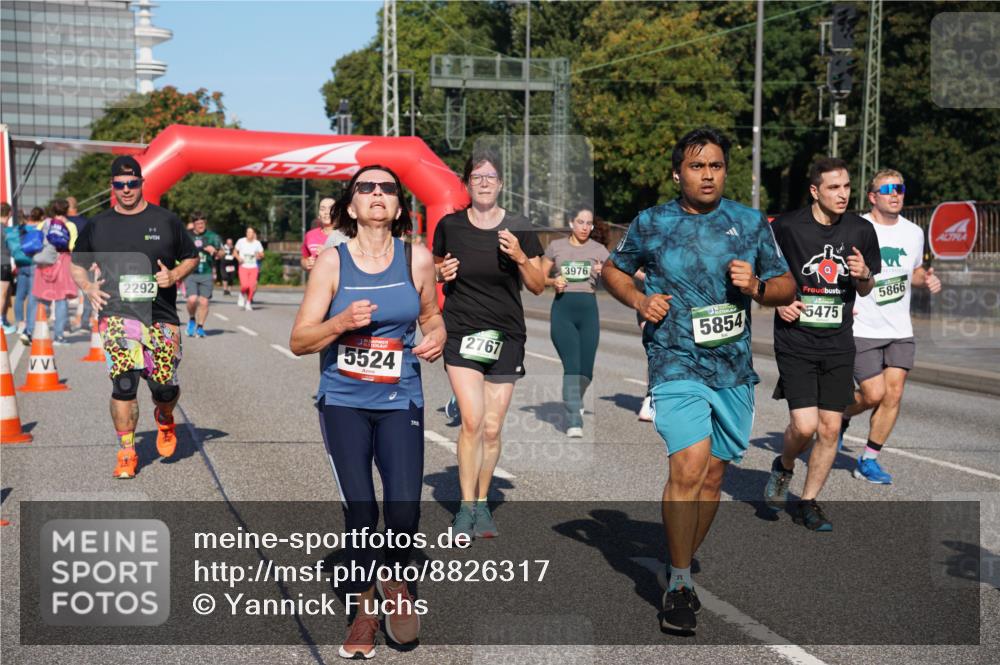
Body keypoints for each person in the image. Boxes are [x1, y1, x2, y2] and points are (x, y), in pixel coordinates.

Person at [603, 127, 794, 634]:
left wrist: (756, 286)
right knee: (687, 466)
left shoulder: (749, 222)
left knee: (712, 477)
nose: (707, 174)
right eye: (696, 165)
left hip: (731, 368)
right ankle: (681, 582)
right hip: (675, 361)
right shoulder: (652, 222)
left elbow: (786, 283)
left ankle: (678, 560)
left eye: (715, 165)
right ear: (677, 173)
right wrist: (641, 301)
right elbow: (613, 271)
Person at [289, 165, 445, 659]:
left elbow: (430, 315)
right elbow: (298, 340)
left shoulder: (416, 258)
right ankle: (364, 610)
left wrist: (436, 335)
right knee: (361, 511)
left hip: (401, 399)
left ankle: (394, 582)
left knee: (403, 507)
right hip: (344, 402)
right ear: (350, 206)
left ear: (399, 206)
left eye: (387, 189)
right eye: (366, 188)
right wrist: (338, 322)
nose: (377, 194)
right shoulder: (332, 264)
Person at [763, 157, 881, 532]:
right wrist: (777, 300)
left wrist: (864, 276)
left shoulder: (861, 230)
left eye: (846, 186)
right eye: (834, 187)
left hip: (838, 342)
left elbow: (866, 285)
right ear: (815, 191)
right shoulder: (786, 227)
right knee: (803, 425)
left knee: (830, 428)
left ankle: (809, 501)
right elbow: (760, 274)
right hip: (796, 339)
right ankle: (783, 465)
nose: (843, 194)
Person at [433, 148, 544, 539]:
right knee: (472, 421)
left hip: (506, 336)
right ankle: (466, 508)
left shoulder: (519, 227)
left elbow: (537, 285)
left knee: (493, 429)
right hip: (462, 331)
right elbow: (433, 270)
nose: (483, 182)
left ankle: (482, 505)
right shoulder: (450, 226)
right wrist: (439, 273)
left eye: (490, 177)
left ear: (500, 184)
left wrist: (519, 256)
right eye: (476, 176)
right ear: (467, 183)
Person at [71, 156, 199, 479]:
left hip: (161, 316)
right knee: (124, 383)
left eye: (132, 183)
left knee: (164, 388)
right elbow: (77, 264)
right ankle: (127, 451)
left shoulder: (166, 220)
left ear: (142, 183)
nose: (126, 190)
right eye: (119, 185)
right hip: (117, 314)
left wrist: (175, 274)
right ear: (112, 187)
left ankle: (165, 417)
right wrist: (87, 286)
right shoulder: (98, 225)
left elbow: (191, 256)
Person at [840, 169, 941, 484]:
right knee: (872, 394)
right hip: (862, 327)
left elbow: (913, 270)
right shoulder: (856, 227)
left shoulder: (913, 232)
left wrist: (925, 278)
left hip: (899, 328)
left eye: (900, 188)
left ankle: (869, 460)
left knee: (893, 393)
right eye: (887, 190)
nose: (895, 194)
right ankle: (841, 415)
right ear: (872, 197)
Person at [540, 204, 609, 438]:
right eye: (580, 222)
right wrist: (553, 281)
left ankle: (574, 397)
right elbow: (539, 277)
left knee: (586, 371)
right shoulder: (555, 247)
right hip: (563, 311)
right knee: (572, 366)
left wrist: (605, 272)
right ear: (571, 223)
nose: (585, 227)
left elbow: (618, 275)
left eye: (589, 223)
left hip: (589, 311)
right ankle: (573, 419)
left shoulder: (599, 249)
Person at [31, 200, 77, 345]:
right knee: (61, 300)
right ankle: (59, 336)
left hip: (44, 264)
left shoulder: (43, 223)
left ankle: (34, 333)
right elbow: (72, 246)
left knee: (41, 299)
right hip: (62, 262)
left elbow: (35, 242)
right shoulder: (70, 226)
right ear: (67, 210)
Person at [183, 212, 222, 338]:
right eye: (198, 223)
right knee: (192, 299)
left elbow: (222, 253)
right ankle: (192, 319)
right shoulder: (187, 236)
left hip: (207, 272)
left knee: (204, 302)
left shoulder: (213, 237)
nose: (200, 225)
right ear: (193, 224)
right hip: (191, 272)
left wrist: (215, 251)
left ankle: (200, 327)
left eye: (202, 223)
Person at [301, 196, 348, 276]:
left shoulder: (346, 235)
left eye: (331, 208)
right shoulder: (310, 235)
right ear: (319, 214)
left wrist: (327, 254)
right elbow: (304, 257)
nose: (326, 212)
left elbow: (353, 262)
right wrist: (306, 263)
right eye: (322, 209)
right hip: (316, 284)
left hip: (338, 284)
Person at [234, 227, 264, 311]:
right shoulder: (241, 241)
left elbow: (262, 254)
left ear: (254, 234)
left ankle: (248, 302)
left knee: (251, 287)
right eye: (247, 232)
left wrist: (259, 256)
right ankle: (241, 294)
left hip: (253, 267)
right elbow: (234, 252)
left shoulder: (257, 243)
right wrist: (238, 258)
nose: (249, 234)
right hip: (243, 266)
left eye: (251, 232)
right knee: (245, 285)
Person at [1, 203, 15, 334]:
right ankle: (1, 322)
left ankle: (3, 319)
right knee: (3, 293)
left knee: (6, 292)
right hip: (3, 264)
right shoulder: (5, 230)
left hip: (3, 263)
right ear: (9, 213)